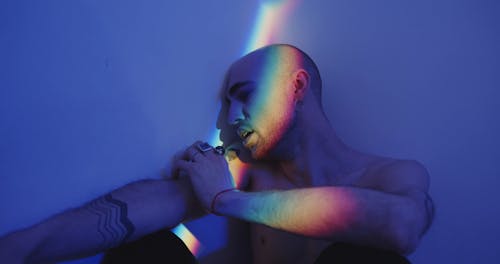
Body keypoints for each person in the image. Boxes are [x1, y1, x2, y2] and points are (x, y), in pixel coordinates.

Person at [0, 44, 433, 263]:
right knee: (152, 250)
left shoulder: (389, 175)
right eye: (226, 103)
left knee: (357, 259)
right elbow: (146, 207)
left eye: (244, 96)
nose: (232, 117)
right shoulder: (248, 172)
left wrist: (226, 201)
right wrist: (19, 247)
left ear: (296, 87)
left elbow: (401, 226)